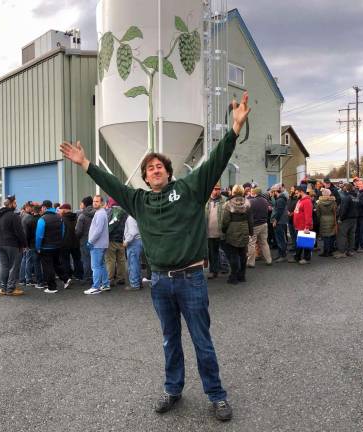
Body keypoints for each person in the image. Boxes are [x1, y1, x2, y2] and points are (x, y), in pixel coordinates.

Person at [59, 92, 252, 422]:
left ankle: (216, 395)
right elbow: (113, 183)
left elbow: (215, 161)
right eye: (149, 168)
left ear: (168, 171)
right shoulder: (139, 201)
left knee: (202, 340)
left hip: (191, 279)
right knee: (169, 340)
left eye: (159, 165)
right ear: (145, 177)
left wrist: (234, 130)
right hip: (161, 282)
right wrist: (86, 164)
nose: (155, 169)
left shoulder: (190, 189)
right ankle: (173, 389)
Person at [0, 195, 27, 296]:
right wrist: (24, 244)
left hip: (0, 244)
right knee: (13, 266)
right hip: (12, 244)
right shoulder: (13, 216)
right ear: (11, 204)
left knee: (4, 266)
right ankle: (10, 288)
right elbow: (20, 232)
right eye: (15, 203)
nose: (16, 205)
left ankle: (3, 288)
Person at [35, 200, 69, 294]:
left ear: (44, 208)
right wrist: (59, 242)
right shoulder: (59, 217)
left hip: (46, 247)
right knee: (57, 264)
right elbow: (62, 231)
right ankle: (66, 279)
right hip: (57, 246)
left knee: (48, 267)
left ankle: (52, 287)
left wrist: (38, 247)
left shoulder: (42, 219)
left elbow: (39, 236)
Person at [221, 184, 253, 284]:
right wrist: (250, 231)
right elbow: (250, 219)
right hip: (244, 228)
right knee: (243, 253)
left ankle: (233, 277)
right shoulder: (247, 203)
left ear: (233, 192)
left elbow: (225, 220)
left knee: (233, 254)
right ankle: (242, 276)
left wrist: (224, 229)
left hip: (232, 229)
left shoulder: (228, 203)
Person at [85, 195, 110, 294]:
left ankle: (95, 287)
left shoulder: (100, 214)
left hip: (97, 244)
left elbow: (98, 231)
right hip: (101, 244)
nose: (95, 203)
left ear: (102, 203)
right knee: (101, 265)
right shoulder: (101, 213)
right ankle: (105, 284)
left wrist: (90, 241)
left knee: (95, 267)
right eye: (94, 201)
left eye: (97, 201)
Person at [246, 187, 272, 267]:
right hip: (264, 224)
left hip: (255, 225)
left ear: (255, 193)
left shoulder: (251, 201)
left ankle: (251, 262)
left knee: (251, 243)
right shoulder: (265, 201)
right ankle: (269, 260)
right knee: (264, 242)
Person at [105, 198, 128, 286]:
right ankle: (121, 278)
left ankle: (110, 279)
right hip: (121, 239)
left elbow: (108, 225)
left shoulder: (110, 211)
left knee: (110, 260)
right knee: (121, 260)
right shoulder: (125, 212)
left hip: (111, 240)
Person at [205, 183, 225, 279]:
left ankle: (223, 267)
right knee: (211, 253)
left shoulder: (224, 201)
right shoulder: (206, 201)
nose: (216, 191)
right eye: (214, 189)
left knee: (221, 251)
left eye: (218, 189)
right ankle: (213, 271)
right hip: (209, 233)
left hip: (221, 232)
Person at [289, 185, 313, 264]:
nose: (296, 195)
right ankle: (297, 257)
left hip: (303, 226)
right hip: (298, 226)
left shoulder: (306, 201)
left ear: (301, 192)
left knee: (305, 243)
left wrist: (307, 226)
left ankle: (306, 259)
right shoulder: (300, 200)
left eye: (297, 193)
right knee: (299, 243)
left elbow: (308, 215)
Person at [59, 203, 83, 282]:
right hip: (76, 242)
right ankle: (79, 275)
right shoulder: (77, 217)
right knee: (77, 259)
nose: (60, 211)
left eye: (61, 209)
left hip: (65, 243)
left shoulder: (62, 219)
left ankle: (68, 276)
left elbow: (61, 232)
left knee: (65, 260)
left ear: (65, 210)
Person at [333, 183, 357, 259]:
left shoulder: (346, 198)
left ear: (346, 188)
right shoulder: (356, 197)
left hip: (346, 219)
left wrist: (340, 218)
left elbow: (344, 209)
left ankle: (342, 252)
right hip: (354, 219)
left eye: (344, 187)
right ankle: (350, 251)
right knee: (351, 235)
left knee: (342, 235)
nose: (342, 188)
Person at [76, 196, 95, 283]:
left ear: (84, 204)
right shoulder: (97, 213)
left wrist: (77, 237)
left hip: (84, 240)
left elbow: (78, 231)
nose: (80, 204)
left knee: (86, 259)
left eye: (81, 203)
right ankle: (95, 276)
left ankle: (87, 277)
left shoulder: (82, 216)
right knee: (95, 259)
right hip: (96, 239)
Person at [270, 184, 289, 262]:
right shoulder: (280, 198)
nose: (272, 193)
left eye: (273, 191)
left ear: (275, 191)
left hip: (280, 222)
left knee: (280, 239)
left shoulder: (280, 200)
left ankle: (283, 255)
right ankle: (280, 254)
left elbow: (279, 211)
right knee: (279, 239)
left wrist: (275, 220)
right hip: (280, 221)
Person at [123, 215, 143, 290]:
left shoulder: (130, 218)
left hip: (133, 242)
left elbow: (132, 232)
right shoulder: (135, 216)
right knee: (137, 263)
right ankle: (138, 282)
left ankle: (135, 284)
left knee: (132, 264)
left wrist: (126, 241)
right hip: (138, 240)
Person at [316, 188, 337, 257]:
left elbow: (318, 213)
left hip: (323, 219)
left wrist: (320, 218)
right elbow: (335, 211)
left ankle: (326, 251)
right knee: (331, 236)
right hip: (332, 219)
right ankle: (330, 250)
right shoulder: (333, 202)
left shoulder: (319, 202)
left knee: (325, 237)